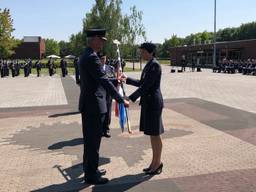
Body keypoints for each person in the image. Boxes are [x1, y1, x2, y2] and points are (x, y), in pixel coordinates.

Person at [79, 28, 129, 185]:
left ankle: (90, 170)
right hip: (94, 105)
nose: (102, 44)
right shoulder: (92, 58)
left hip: (90, 104)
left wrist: (116, 80)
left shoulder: (85, 55)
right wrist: (121, 99)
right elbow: (102, 80)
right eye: (101, 40)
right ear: (94, 39)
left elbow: (99, 79)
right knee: (93, 142)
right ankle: (91, 174)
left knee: (91, 142)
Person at [121, 42, 164, 175]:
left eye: (143, 51)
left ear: (150, 52)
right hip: (148, 103)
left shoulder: (155, 65)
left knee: (155, 134)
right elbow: (141, 83)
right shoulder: (149, 65)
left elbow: (146, 87)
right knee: (152, 134)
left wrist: (130, 98)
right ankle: (154, 162)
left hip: (153, 103)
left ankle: (157, 163)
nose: (141, 54)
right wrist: (127, 79)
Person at [99, 53, 116, 138]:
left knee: (108, 112)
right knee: (101, 112)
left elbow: (114, 80)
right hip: (100, 94)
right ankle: (100, 130)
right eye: (101, 59)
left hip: (108, 94)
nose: (103, 60)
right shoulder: (96, 68)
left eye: (104, 58)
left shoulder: (110, 68)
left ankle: (106, 129)